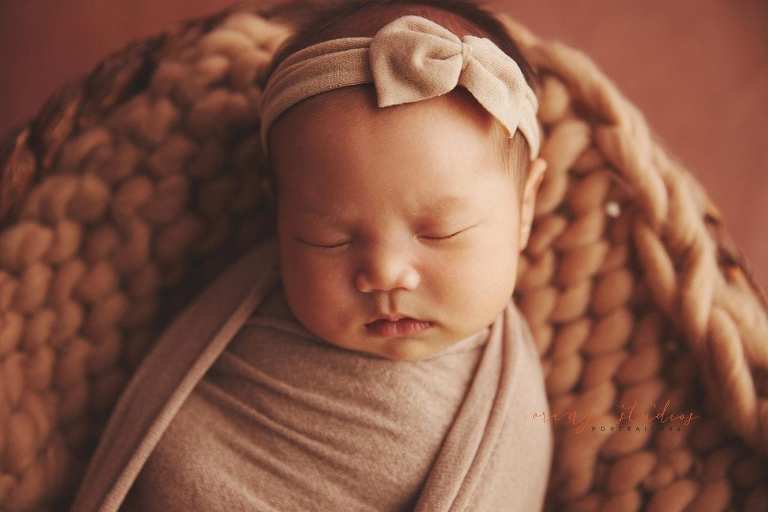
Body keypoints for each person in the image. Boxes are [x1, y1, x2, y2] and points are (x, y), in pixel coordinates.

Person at [80, 1, 555, 510]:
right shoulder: (243, 309)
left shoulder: (512, 401)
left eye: (441, 232)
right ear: (279, 220)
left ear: (524, 209)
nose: (384, 273)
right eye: (328, 238)